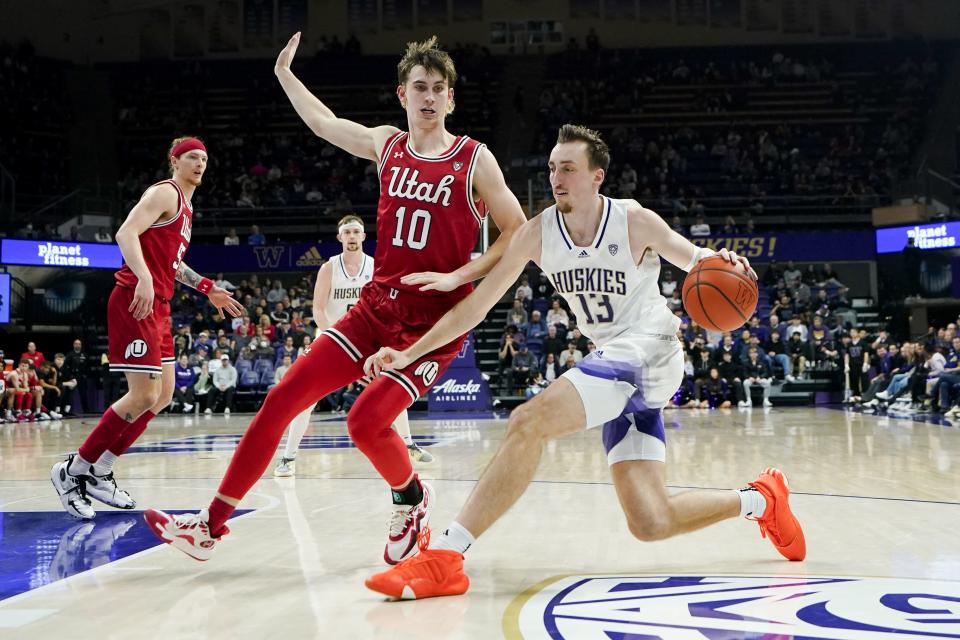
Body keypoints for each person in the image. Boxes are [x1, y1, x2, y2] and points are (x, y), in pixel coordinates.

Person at [363, 124, 805, 599]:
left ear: (597, 176)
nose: (557, 177)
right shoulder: (536, 234)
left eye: (569, 169)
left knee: (528, 421)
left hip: (650, 349)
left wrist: (730, 262)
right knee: (651, 521)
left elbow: (700, 261)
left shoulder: (634, 221)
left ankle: (446, 557)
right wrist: (409, 352)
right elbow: (476, 307)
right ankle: (760, 500)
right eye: (553, 168)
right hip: (615, 363)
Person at [145, 34, 526, 563]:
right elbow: (324, 124)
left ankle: (412, 500)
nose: (430, 97)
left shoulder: (473, 159)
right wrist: (284, 74)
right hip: (375, 307)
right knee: (281, 401)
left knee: (364, 423)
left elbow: (516, 231)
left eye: (440, 89)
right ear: (403, 95)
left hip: (433, 323)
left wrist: (461, 272)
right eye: (421, 87)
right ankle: (209, 526)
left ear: (452, 99)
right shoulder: (387, 144)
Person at [50, 137, 243, 520]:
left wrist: (208, 289)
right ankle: (72, 471)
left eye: (204, 158)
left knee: (163, 395)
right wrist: (142, 277)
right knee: (142, 395)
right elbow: (125, 233)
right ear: (175, 160)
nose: (200, 163)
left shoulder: (187, 207)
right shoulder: (164, 192)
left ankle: (101, 470)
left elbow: (173, 265)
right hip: (134, 299)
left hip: (159, 304)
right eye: (192, 157)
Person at [274, 215, 436, 477]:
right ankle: (288, 457)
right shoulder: (328, 268)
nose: (351, 236)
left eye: (356, 232)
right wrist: (334, 339)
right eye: (347, 232)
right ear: (340, 238)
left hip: (368, 339)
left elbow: (385, 307)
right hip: (333, 337)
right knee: (306, 398)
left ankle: (408, 444)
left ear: (363, 237)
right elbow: (318, 309)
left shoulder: (375, 267)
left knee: (392, 387)